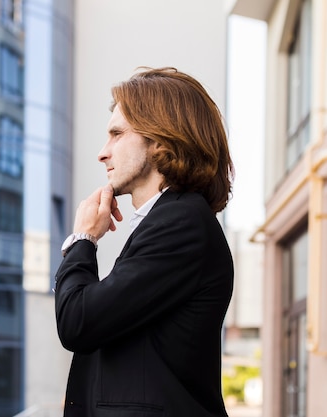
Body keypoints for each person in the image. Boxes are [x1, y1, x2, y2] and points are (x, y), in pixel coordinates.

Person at [55, 67, 234, 417]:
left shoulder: (181, 223)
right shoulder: (169, 221)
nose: (102, 153)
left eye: (117, 134)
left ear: (161, 139)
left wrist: (84, 238)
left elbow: (78, 321)